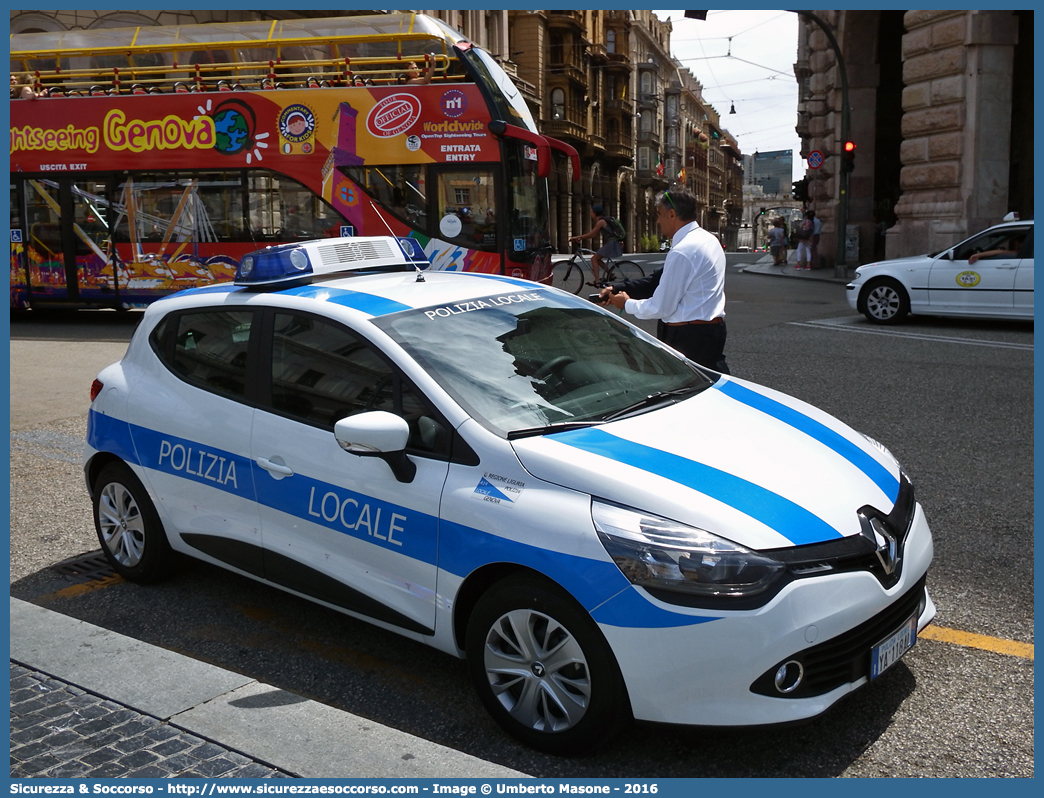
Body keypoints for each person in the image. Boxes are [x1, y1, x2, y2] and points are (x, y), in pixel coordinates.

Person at [598, 188, 729, 373]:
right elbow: (656, 280)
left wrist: (627, 304)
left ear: (672, 214)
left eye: (660, 214)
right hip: (711, 331)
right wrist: (616, 287)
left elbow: (661, 307)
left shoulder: (683, 250)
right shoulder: (708, 239)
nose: (658, 221)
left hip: (688, 338)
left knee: (685, 394)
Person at [569, 203, 624, 287]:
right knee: (597, 259)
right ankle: (610, 274)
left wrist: (578, 237)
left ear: (595, 213)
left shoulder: (601, 222)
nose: (590, 214)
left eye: (591, 212)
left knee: (594, 259)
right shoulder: (602, 221)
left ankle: (597, 281)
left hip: (611, 243)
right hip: (612, 242)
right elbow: (594, 235)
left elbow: (591, 234)